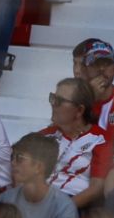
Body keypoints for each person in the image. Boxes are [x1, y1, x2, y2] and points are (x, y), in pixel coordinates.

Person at [39, 76, 109, 208]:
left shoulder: (100, 140)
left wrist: (63, 210)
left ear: (80, 110)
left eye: (59, 101)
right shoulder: (45, 135)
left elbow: (97, 187)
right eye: (53, 98)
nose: (53, 104)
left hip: (75, 207)